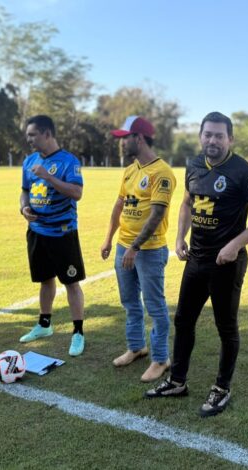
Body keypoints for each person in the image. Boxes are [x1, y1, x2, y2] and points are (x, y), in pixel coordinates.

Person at [145, 112, 248, 417]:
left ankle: (222, 388)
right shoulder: (193, 165)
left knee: (225, 327)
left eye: (219, 135)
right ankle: (177, 381)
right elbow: (187, 202)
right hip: (196, 259)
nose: (212, 140)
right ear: (200, 136)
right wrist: (180, 237)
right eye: (208, 134)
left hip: (226, 262)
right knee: (183, 320)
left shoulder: (243, 172)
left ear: (230, 139)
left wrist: (235, 245)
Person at [100, 116, 177, 382]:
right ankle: (136, 347)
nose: (122, 143)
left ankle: (160, 359)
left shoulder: (162, 173)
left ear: (139, 138)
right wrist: (109, 239)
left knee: (154, 306)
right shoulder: (130, 170)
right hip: (124, 247)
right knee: (130, 301)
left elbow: (157, 214)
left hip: (149, 251)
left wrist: (135, 247)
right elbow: (119, 206)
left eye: (125, 138)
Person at [18, 115, 87, 357]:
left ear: (47, 134)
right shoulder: (29, 161)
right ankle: (44, 324)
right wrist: (24, 208)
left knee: (71, 283)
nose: (29, 139)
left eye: (32, 135)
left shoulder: (69, 161)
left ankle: (78, 332)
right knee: (45, 280)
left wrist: (48, 176)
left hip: (62, 233)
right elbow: (24, 191)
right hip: (37, 232)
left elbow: (76, 193)